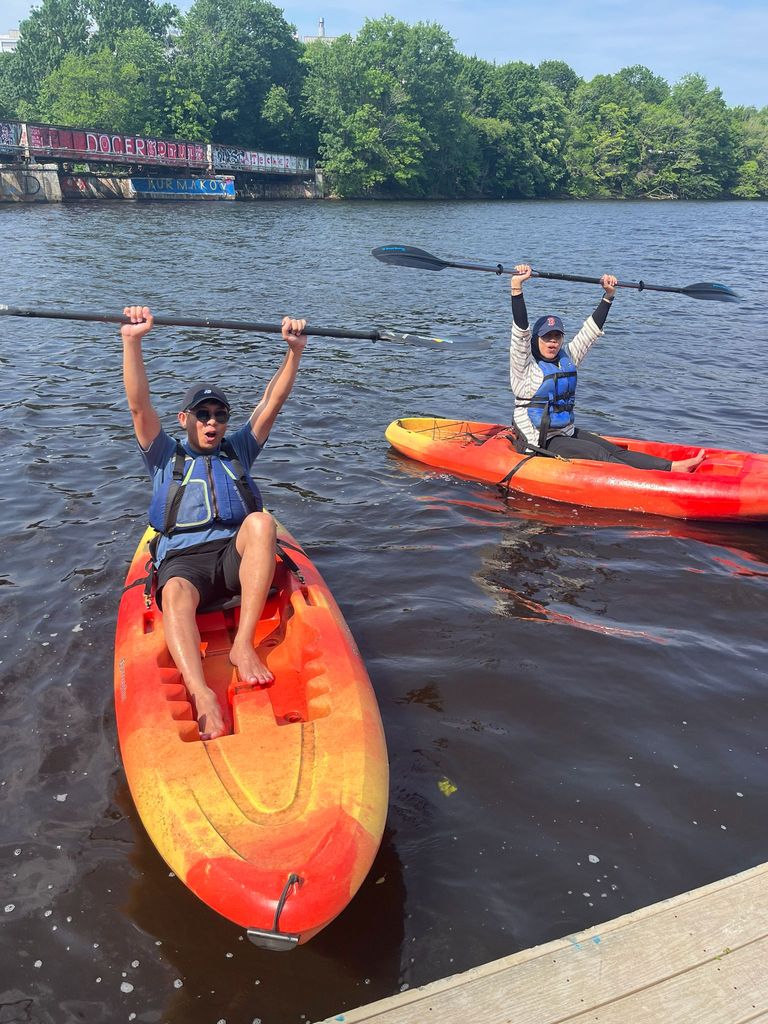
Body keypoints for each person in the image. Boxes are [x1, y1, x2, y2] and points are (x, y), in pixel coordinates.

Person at [121, 305, 308, 740]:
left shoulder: (238, 449)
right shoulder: (164, 454)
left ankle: (243, 644)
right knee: (177, 592)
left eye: (220, 415)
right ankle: (201, 692)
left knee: (262, 522)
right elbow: (138, 405)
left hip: (232, 559)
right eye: (203, 415)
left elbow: (272, 402)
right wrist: (132, 342)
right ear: (184, 420)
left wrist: (294, 352)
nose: (212, 422)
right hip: (183, 562)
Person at [509, 265, 705, 472]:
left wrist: (608, 296)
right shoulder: (525, 366)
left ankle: (672, 468)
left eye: (557, 337)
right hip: (537, 440)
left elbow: (590, 332)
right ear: (536, 340)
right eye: (546, 337)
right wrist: (516, 287)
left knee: (614, 450)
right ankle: (653, 481)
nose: (552, 342)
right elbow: (520, 331)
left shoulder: (567, 358)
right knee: (599, 455)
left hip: (564, 432)